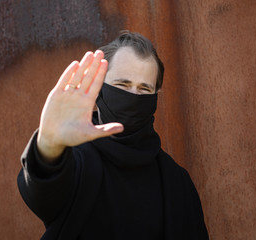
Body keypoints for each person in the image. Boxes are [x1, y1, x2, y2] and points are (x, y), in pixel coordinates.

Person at [17, 31, 209, 240]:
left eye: (144, 89)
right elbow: (42, 196)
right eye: (122, 85)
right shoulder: (76, 162)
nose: (133, 96)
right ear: (99, 88)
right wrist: (49, 144)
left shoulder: (176, 182)